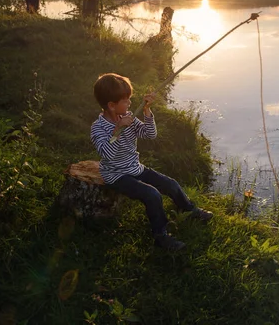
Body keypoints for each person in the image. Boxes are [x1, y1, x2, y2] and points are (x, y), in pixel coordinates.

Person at [90, 73, 214, 251]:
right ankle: (160, 235)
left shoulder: (129, 117)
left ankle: (188, 209)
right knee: (152, 195)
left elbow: (150, 134)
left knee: (170, 184)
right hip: (116, 175)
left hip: (135, 168)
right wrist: (118, 130)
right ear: (111, 105)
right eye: (125, 101)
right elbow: (107, 153)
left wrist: (147, 112)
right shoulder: (98, 128)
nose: (130, 104)